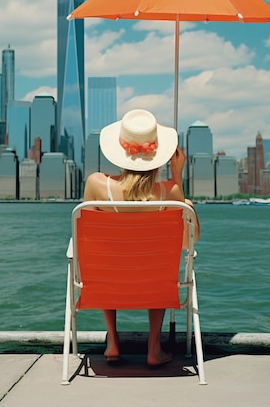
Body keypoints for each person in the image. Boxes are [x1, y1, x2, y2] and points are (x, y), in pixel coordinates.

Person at [83, 108, 200, 367]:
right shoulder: (170, 193)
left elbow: (88, 238)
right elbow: (185, 241)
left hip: (106, 279)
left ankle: (112, 342)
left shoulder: (96, 183)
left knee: (106, 261)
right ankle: (154, 348)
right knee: (160, 265)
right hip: (153, 281)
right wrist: (178, 176)